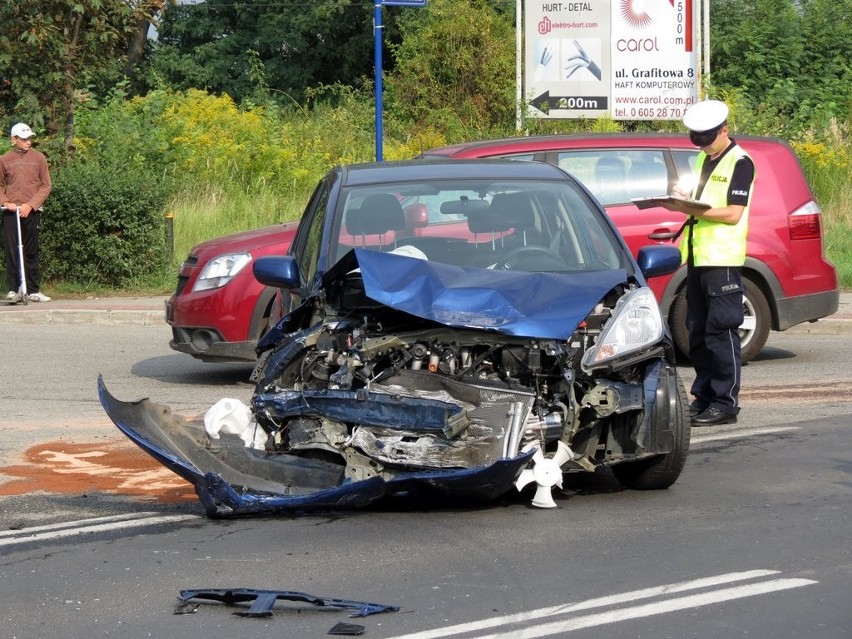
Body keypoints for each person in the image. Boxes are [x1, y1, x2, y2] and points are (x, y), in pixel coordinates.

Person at [671, 100, 755, 426]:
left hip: (723, 259)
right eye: (698, 140)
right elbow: (696, 200)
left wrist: (693, 209)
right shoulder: (701, 160)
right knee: (698, 333)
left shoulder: (741, 162)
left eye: (708, 139)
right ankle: (703, 397)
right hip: (697, 257)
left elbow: (733, 213)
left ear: (724, 130)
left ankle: (725, 403)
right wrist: (678, 197)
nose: (703, 146)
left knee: (721, 332)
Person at [1, 122, 52, 303]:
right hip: (11, 211)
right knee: (12, 250)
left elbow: (46, 185)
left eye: (29, 138)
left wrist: (30, 205)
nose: (28, 142)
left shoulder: (39, 158)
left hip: (32, 211)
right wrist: (6, 201)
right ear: (14, 140)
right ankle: (13, 289)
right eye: (24, 139)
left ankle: (33, 290)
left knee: (31, 250)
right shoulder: (4, 159)